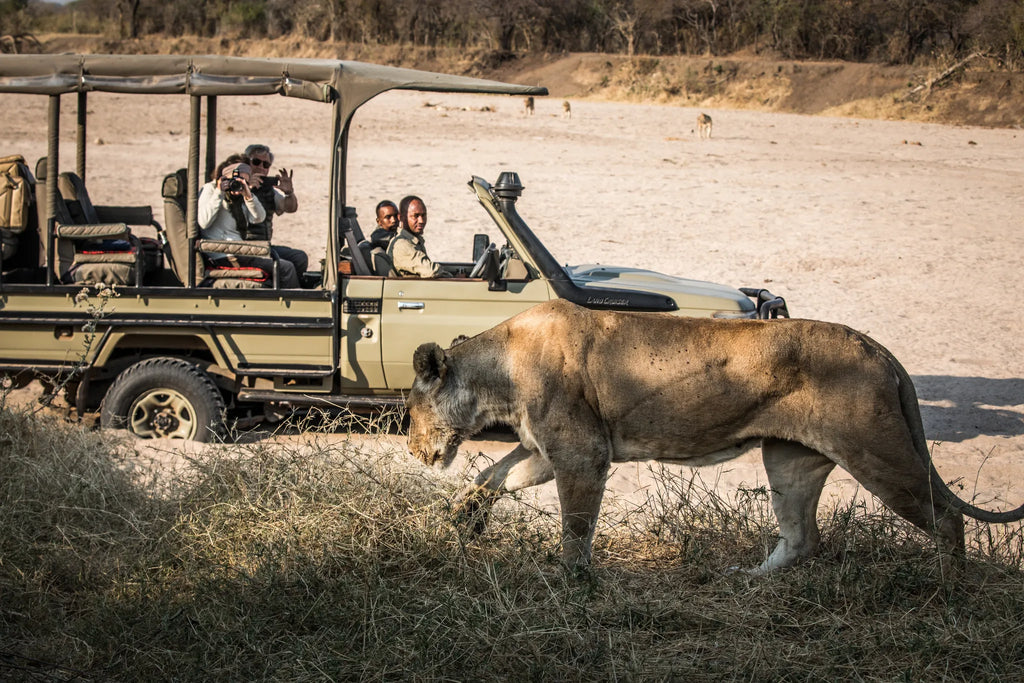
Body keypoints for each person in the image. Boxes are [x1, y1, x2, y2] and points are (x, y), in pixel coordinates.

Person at [198, 154, 300, 288]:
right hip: (224, 255)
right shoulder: (210, 189)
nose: (237, 184)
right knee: (286, 268)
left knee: (294, 261)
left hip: (240, 251)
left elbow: (258, 217)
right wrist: (219, 192)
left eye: (243, 181)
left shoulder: (241, 194)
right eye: (235, 180)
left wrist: (248, 195)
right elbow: (204, 222)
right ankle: (291, 300)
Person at [243, 143, 308, 281]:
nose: (261, 167)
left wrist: (289, 193)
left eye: (266, 165)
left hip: (263, 246)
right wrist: (247, 187)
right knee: (287, 267)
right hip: (244, 247)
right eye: (256, 162)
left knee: (299, 258)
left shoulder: (268, 190)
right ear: (246, 163)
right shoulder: (237, 188)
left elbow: (290, 208)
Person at [387, 195, 450, 278]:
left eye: (423, 215)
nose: (421, 221)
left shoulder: (413, 240)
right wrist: (453, 277)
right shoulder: (401, 245)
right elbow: (430, 271)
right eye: (415, 216)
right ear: (401, 217)